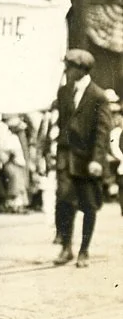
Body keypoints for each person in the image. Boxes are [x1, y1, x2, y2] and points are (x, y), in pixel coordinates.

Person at [53, 49, 109, 267]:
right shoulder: (64, 92)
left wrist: (97, 159)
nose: (66, 70)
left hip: (88, 160)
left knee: (89, 205)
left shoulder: (98, 95)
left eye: (69, 67)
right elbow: (62, 124)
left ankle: (84, 251)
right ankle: (66, 247)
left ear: (81, 69)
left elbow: (102, 132)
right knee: (65, 201)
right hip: (67, 156)